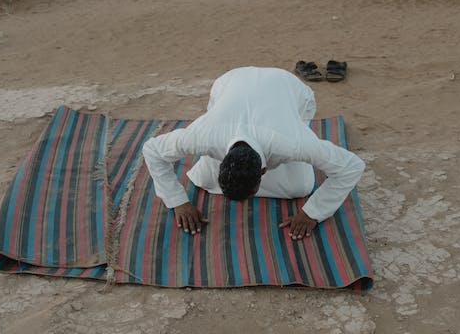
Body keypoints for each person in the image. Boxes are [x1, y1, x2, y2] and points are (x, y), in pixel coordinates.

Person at [142, 66, 365, 241]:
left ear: (264, 170)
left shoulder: (295, 142)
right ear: (221, 159)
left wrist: (313, 212)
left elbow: (352, 166)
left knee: (301, 187)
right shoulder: (202, 136)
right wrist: (176, 201)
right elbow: (152, 150)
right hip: (230, 81)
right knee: (203, 179)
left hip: (287, 86)